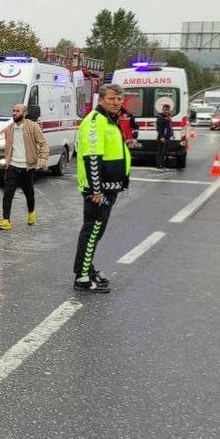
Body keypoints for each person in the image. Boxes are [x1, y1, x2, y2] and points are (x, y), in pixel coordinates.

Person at [73, 84, 131, 293]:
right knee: (93, 230)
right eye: (112, 98)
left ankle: (86, 268)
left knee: (96, 231)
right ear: (101, 100)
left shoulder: (109, 121)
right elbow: (92, 158)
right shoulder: (96, 122)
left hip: (108, 188)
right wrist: (96, 190)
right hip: (99, 191)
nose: (117, 102)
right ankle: (82, 277)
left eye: (119, 99)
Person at [0, 103, 50, 230]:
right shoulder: (9, 129)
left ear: (24, 113)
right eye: (14, 110)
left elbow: (44, 144)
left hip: (28, 167)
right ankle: (6, 220)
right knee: (8, 193)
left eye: (18, 111)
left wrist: (42, 160)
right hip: (12, 167)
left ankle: (31, 213)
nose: (15, 113)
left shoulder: (33, 127)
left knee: (29, 193)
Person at [155, 104, 174, 171]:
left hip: (167, 137)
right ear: (162, 109)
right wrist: (161, 137)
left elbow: (170, 127)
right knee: (160, 153)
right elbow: (159, 128)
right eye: (165, 110)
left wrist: (172, 134)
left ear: (169, 110)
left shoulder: (168, 117)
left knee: (165, 153)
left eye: (167, 110)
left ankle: (163, 166)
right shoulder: (160, 117)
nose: (166, 111)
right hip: (162, 138)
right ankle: (159, 167)